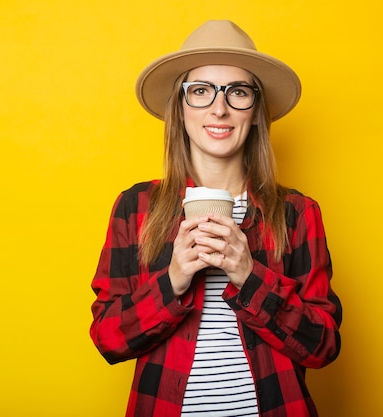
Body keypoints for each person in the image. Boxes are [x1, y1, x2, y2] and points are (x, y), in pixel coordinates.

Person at [89, 20, 342, 417]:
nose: (219, 108)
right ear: (181, 109)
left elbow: (323, 346)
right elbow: (108, 339)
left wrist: (249, 275)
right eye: (201, 91)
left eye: (238, 92)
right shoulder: (136, 207)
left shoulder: (297, 212)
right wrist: (172, 280)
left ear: (257, 112)